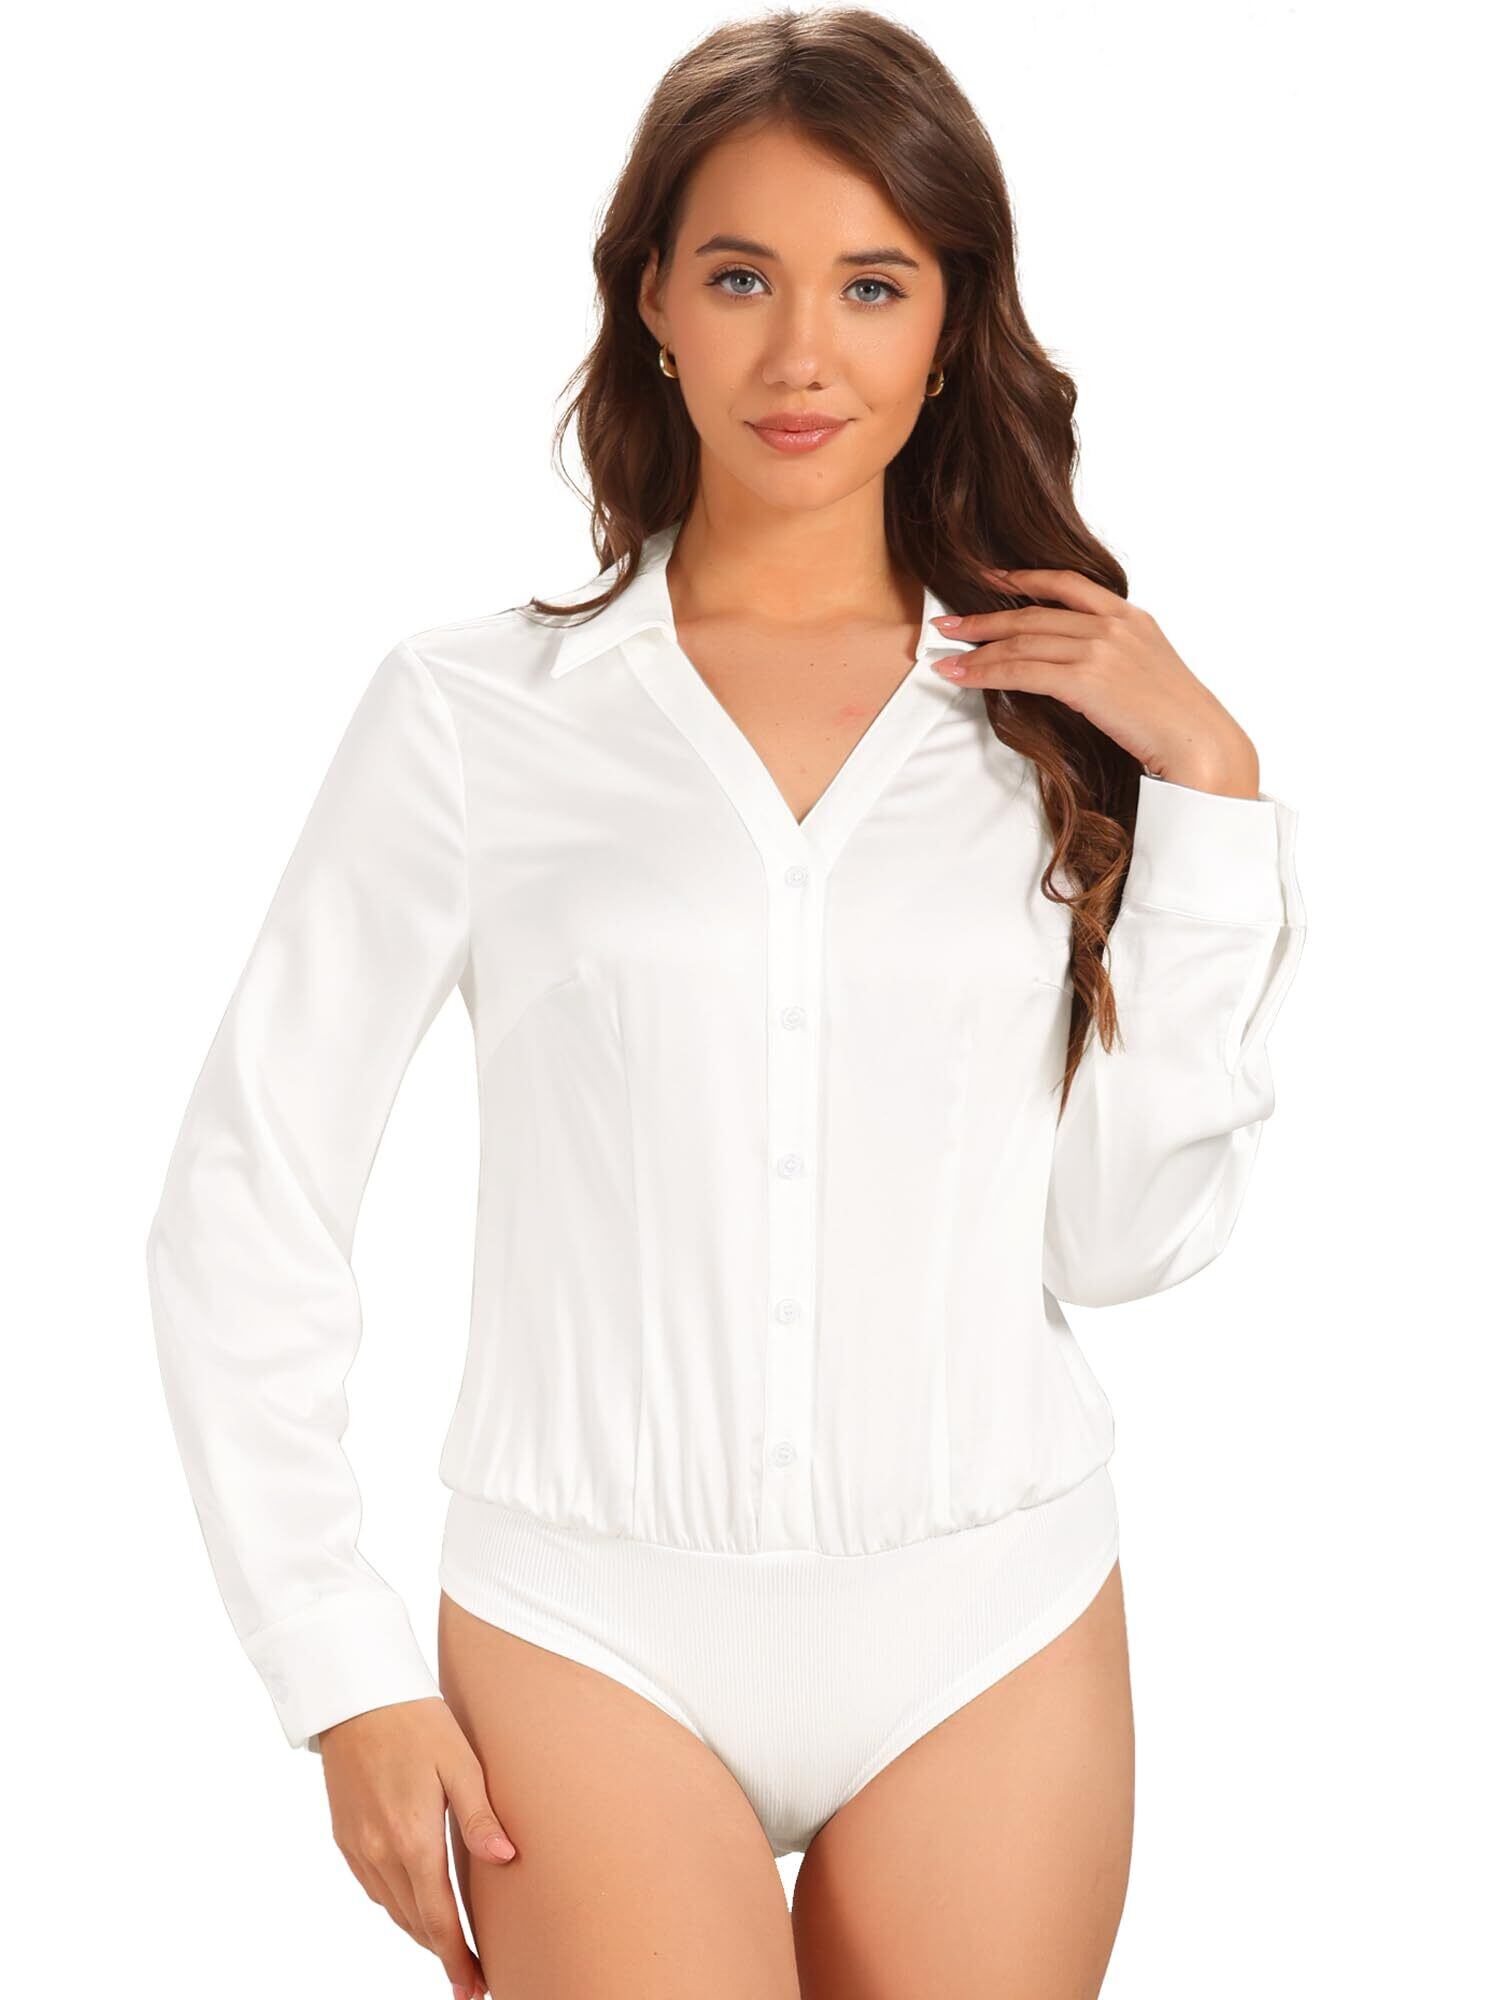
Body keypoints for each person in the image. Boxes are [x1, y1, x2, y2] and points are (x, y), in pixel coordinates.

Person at [145, 11, 1307, 1997]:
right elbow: (249, 1190)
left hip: (991, 1620)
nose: (802, 356)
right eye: (744, 278)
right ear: (654, 308)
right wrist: (335, 1665)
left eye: (873, 284)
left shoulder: (1055, 726)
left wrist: (1209, 793)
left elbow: (1117, 1243)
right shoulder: (470, 716)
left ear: (951, 321)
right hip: (582, 1627)